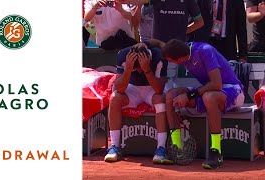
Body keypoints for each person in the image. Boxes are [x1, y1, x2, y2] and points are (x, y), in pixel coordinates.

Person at [156, 39, 244, 170]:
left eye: (171, 60)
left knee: (209, 97)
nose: (170, 63)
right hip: (208, 91)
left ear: (180, 58)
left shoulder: (205, 50)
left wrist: (189, 96)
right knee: (170, 95)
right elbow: (161, 44)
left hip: (234, 91)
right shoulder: (182, 50)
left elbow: (216, 84)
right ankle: (177, 147)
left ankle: (216, 152)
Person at [104, 43, 172, 164]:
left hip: (152, 89)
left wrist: (147, 70)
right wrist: (128, 70)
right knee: (115, 98)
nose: (139, 71)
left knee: (160, 99)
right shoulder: (123, 55)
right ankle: (114, 147)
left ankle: (161, 149)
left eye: (140, 68)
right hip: (132, 88)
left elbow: (158, 89)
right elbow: (119, 88)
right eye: (137, 69)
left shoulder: (159, 57)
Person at [116, 0, 204, 43]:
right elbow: (136, 2)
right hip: (155, 45)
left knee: (173, 77)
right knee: (157, 76)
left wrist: (181, 32)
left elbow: (200, 23)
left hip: (177, 46)